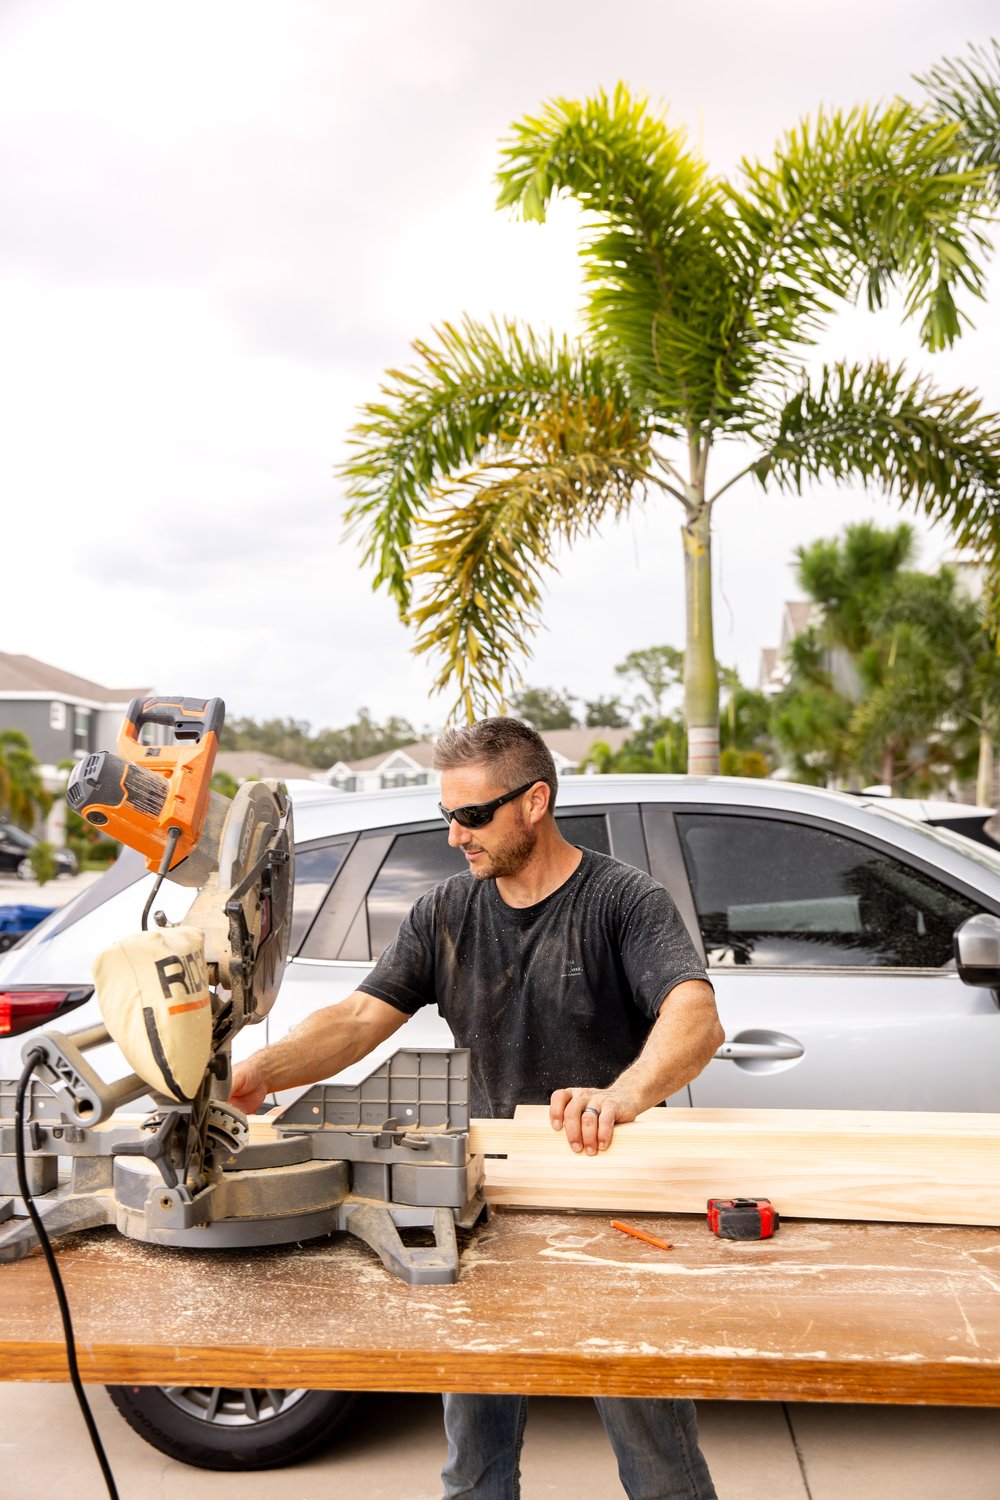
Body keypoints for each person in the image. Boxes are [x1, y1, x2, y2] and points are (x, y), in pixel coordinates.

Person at [230, 717, 724, 1500]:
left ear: (535, 802)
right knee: (474, 1458)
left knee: (655, 1450)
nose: (455, 835)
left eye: (472, 816)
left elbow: (695, 1015)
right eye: (446, 816)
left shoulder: (623, 901)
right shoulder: (446, 912)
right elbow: (360, 1020)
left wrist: (621, 1095)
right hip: (482, 1203)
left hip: (606, 1205)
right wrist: (259, 1069)